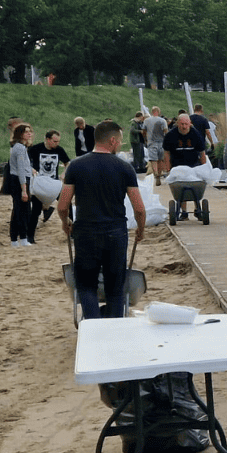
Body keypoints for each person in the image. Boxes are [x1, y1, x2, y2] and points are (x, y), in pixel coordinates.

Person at [57, 121, 146, 320]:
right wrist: (141, 229)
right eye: (120, 142)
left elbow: (63, 205)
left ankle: (92, 325)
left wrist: (66, 222)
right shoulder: (124, 167)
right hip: (116, 231)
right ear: (112, 140)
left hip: (86, 231)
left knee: (86, 285)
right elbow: (139, 208)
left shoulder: (76, 165)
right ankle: (112, 329)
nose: (120, 145)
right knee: (115, 287)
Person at [162, 114, 209, 220]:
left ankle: (198, 209)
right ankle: (183, 212)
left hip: (193, 165)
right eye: (182, 124)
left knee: (195, 188)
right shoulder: (170, 135)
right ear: (177, 123)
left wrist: (204, 168)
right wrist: (168, 168)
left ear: (190, 124)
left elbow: (202, 153)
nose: (184, 127)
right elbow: (167, 153)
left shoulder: (196, 135)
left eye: (186, 124)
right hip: (177, 166)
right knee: (180, 188)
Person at [27, 129, 70, 240]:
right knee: (35, 210)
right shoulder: (35, 149)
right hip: (40, 183)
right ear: (47, 139)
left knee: (67, 205)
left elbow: (67, 163)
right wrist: (30, 169)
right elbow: (24, 161)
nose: (57, 144)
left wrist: (64, 173)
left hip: (54, 184)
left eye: (58, 141)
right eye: (55, 141)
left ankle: (73, 233)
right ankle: (30, 237)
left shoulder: (59, 150)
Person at [7, 123, 34, 247]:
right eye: (26, 132)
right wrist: (24, 189)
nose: (29, 134)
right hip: (19, 181)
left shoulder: (21, 147)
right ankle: (15, 239)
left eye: (30, 131)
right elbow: (20, 170)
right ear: (20, 134)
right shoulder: (20, 148)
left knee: (23, 210)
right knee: (19, 210)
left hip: (21, 180)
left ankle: (22, 237)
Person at [143, 106, 169, 185]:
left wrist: (146, 139)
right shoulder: (163, 120)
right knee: (160, 159)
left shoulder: (146, 121)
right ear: (159, 112)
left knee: (153, 160)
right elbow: (166, 132)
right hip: (161, 142)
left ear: (152, 112)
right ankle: (159, 173)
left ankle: (156, 174)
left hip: (151, 142)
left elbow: (144, 131)